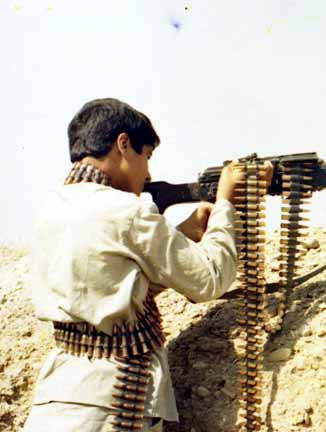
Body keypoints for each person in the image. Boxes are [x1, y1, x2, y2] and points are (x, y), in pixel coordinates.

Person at [22, 98, 271, 431]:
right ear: (123, 144)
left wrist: (182, 235)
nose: (148, 173)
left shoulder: (52, 209)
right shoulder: (127, 210)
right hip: (114, 401)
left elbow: (115, 285)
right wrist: (226, 204)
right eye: (147, 156)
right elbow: (210, 279)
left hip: (57, 397)